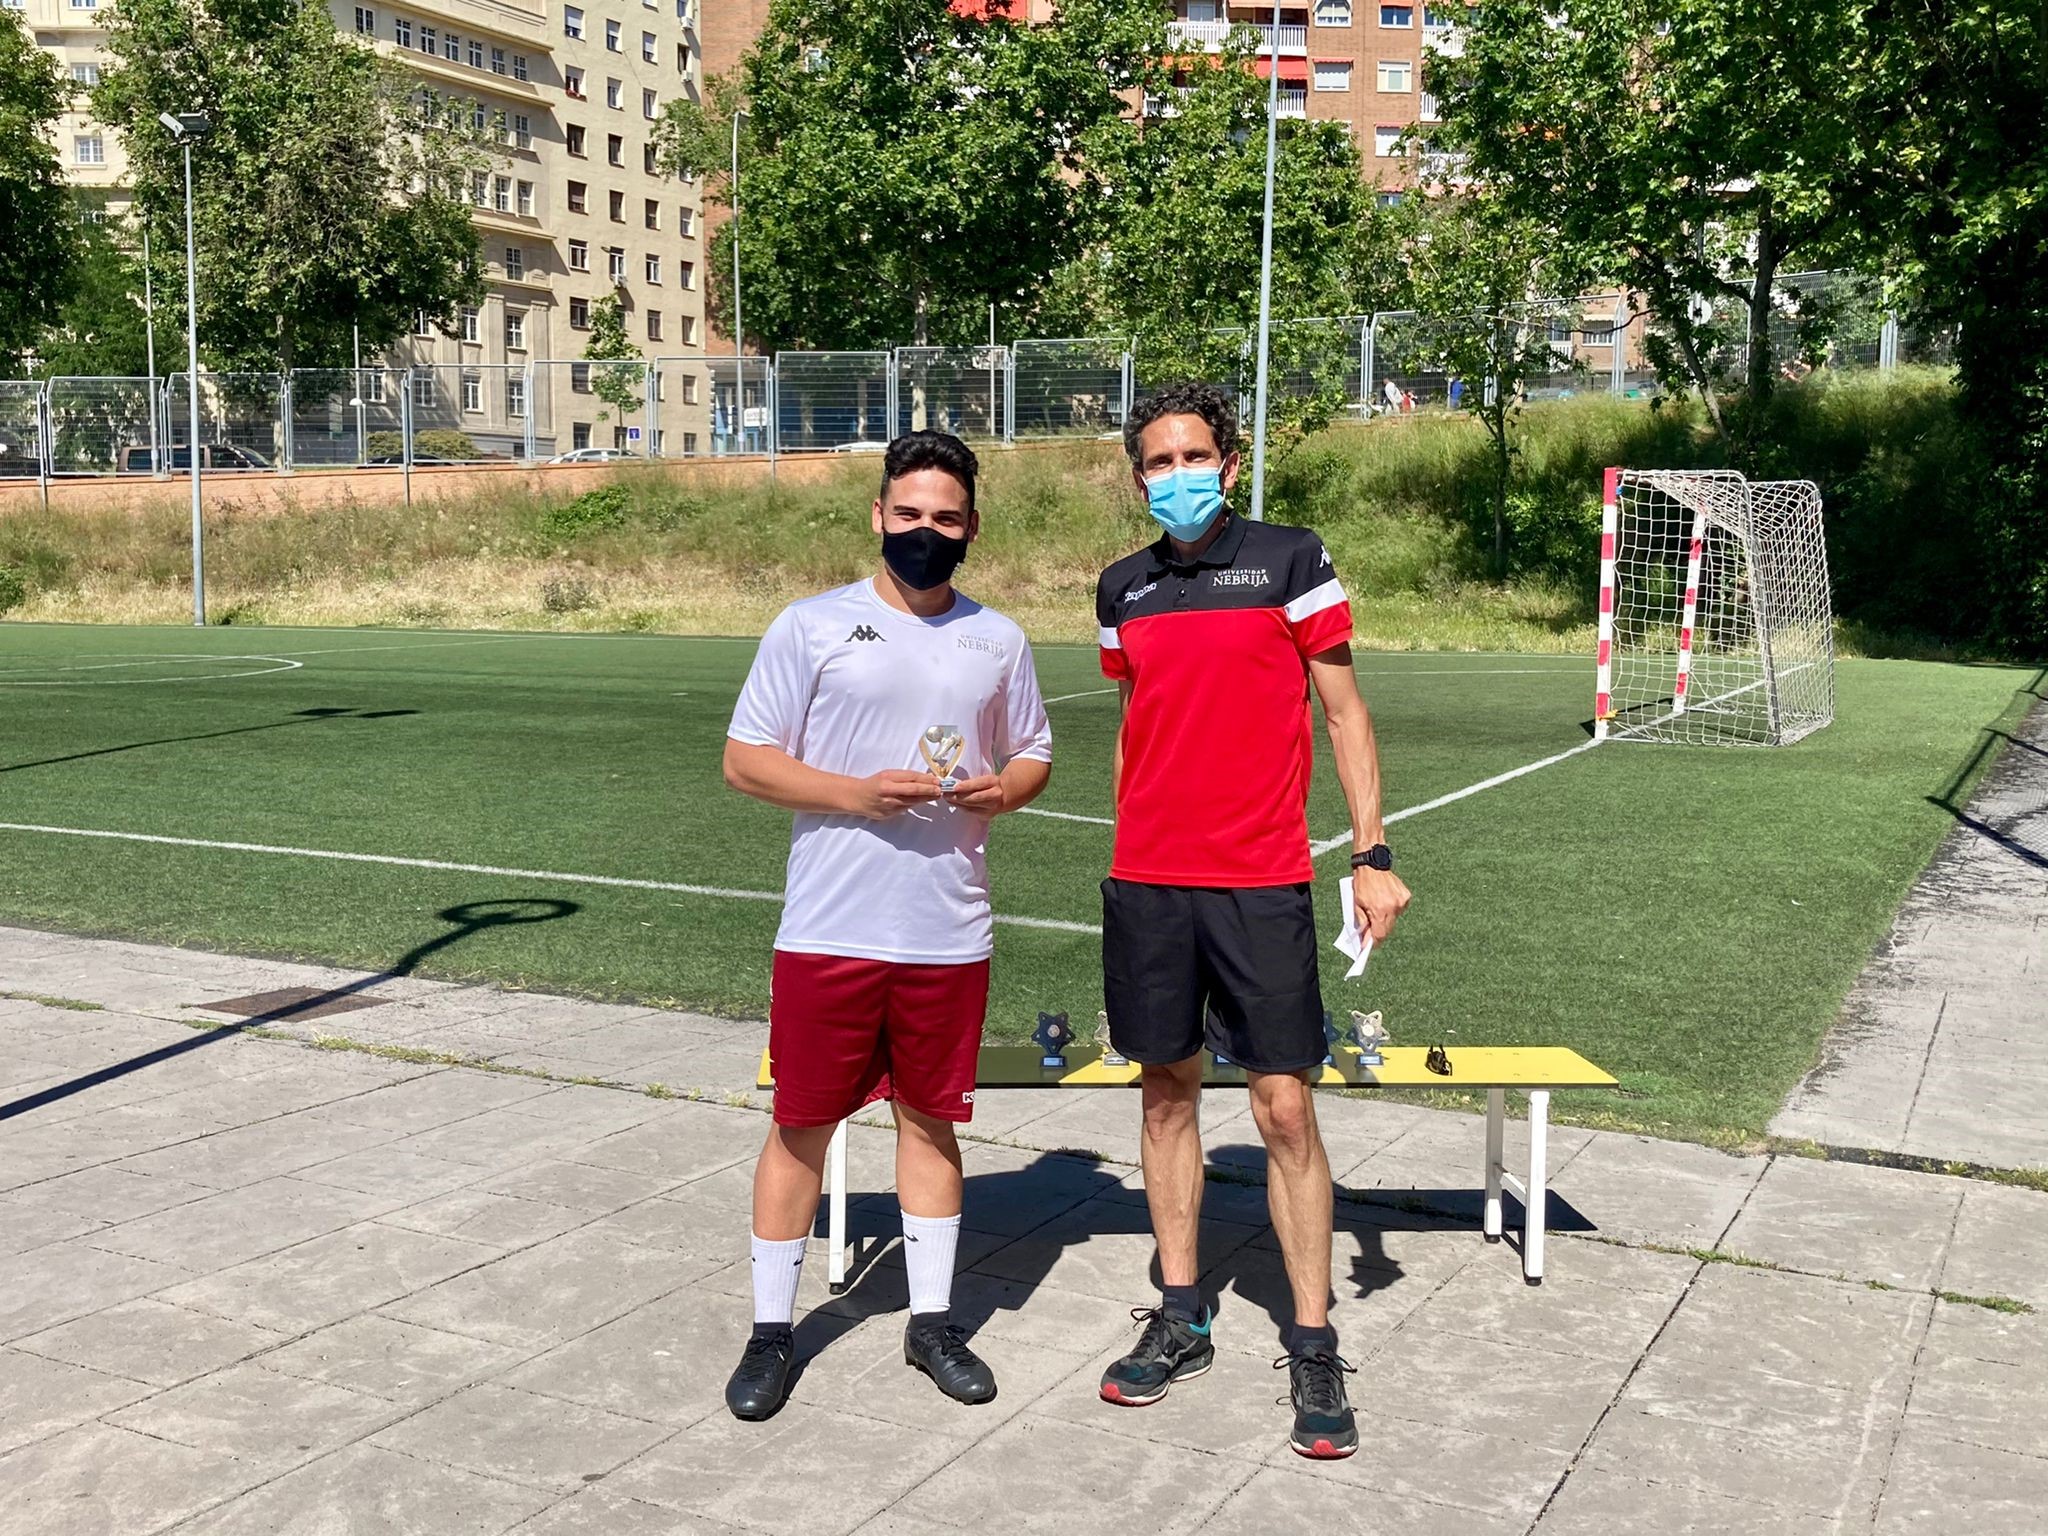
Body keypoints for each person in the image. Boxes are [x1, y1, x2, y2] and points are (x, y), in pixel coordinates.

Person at [1090, 382, 1412, 1459]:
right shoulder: (1121, 586)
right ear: (1138, 477)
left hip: (1259, 881)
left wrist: (1370, 856)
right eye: (1157, 461)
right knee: (1164, 1097)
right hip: (1148, 882)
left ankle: (1312, 1339)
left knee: (1283, 1109)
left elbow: (1345, 714)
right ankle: (1181, 1315)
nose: (1176, 475)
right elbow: (1135, 721)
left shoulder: (1290, 559)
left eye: (1194, 456)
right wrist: (1126, 845)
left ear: (1227, 464)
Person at [720, 429, 1053, 1420]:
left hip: (947, 931)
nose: (924, 531)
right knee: (800, 1127)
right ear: (877, 514)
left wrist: (1005, 791)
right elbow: (745, 761)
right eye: (907, 513)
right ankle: (771, 1333)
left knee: (930, 1123)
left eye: (945, 518)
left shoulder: (998, 639)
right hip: (829, 929)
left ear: (972, 528)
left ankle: (932, 1323)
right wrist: (854, 794)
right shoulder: (811, 625)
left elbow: (1032, 752)